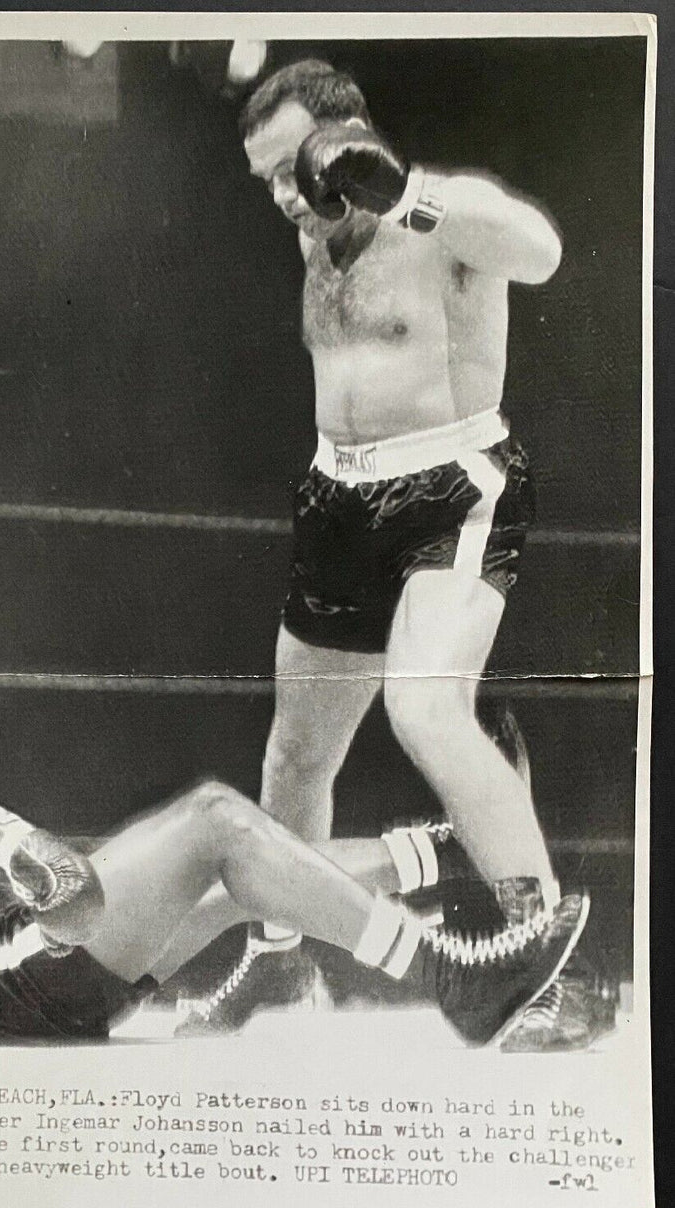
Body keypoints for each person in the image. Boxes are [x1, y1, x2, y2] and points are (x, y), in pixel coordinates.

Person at [183, 58, 599, 1044]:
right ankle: (281, 963)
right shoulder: (314, 232)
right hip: (339, 495)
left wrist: (405, 194)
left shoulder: (440, 212)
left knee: (425, 707)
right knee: (293, 755)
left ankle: (544, 972)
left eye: (294, 168)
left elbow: (538, 250)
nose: (283, 196)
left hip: (451, 487)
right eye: (266, 182)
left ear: (345, 139)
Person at [0, 636, 587, 1046]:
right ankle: (456, 978)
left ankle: (457, 846)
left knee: (248, 875)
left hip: (0, 994)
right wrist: (11, 835)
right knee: (215, 817)